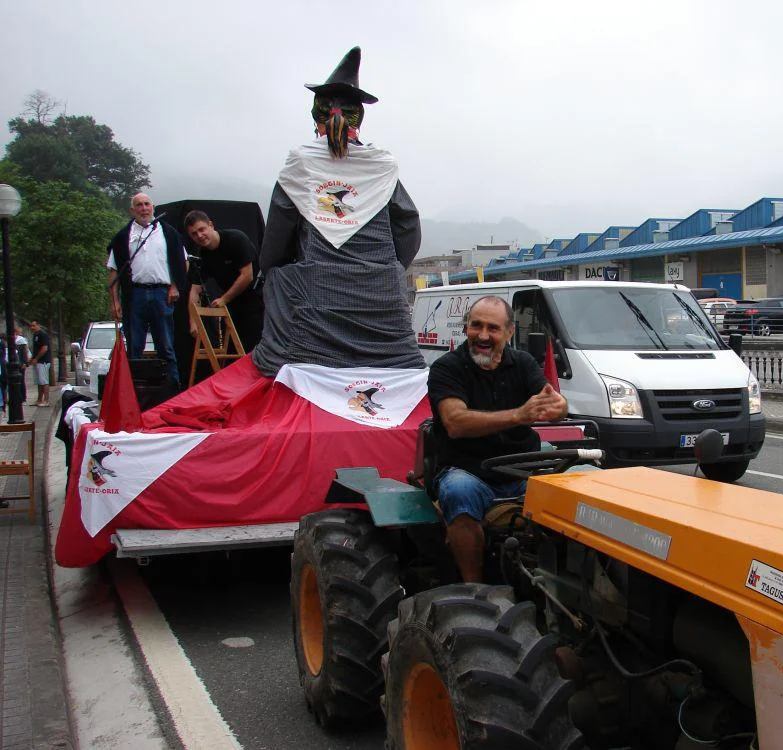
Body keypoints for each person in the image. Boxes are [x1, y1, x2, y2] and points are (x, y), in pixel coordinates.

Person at [251, 46, 424, 376]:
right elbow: (408, 226)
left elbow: (276, 241)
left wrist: (272, 269)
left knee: (277, 279)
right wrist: (381, 269)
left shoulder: (302, 164)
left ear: (316, 114)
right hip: (380, 298)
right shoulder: (380, 166)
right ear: (359, 115)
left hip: (315, 294)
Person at [427, 296, 567, 582]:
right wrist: (518, 415)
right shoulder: (447, 368)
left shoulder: (523, 363)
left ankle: (564, 577)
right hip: (468, 470)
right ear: (465, 327)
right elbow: (455, 422)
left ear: (509, 332)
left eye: (492, 328)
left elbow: (554, 403)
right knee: (458, 492)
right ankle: (475, 587)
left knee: (584, 486)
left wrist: (558, 406)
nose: (482, 336)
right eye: (476, 326)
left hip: (522, 470)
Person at [106, 193, 188, 389]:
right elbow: (114, 271)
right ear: (132, 210)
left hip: (162, 294)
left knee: (166, 346)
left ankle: (171, 389)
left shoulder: (169, 233)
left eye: (146, 204)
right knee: (134, 346)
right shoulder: (122, 237)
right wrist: (114, 301)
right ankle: (134, 391)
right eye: (139, 205)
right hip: (134, 295)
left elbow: (183, 262)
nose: (143, 208)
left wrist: (175, 286)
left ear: (153, 207)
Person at [183, 210, 265, 352]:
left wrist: (224, 299)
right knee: (231, 350)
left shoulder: (236, 239)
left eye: (202, 230)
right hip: (231, 305)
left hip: (255, 299)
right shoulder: (202, 255)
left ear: (210, 225)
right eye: (194, 234)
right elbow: (195, 290)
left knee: (254, 348)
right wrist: (193, 321)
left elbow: (247, 276)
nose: (200, 236)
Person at [27, 320, 51, 406]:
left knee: (44, 381)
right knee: (39, 382)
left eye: (34, 325)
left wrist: (36, 358)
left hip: (43, 361)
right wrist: (32, 359)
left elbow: (44, 348)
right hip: (37, 361)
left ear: (38, 325)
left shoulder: (43, 335)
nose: (32, 328)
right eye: (31, 326)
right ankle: (39, 400)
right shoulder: (35, 335)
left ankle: (46, 400)